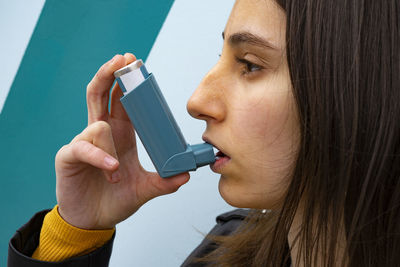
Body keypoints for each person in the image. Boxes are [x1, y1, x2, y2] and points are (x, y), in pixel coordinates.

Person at [8, 0, 400, 266]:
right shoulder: (224, 250)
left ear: (360, 90)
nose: (197, 101)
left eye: (248, 64)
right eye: (221, 56)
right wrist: (76, 232)